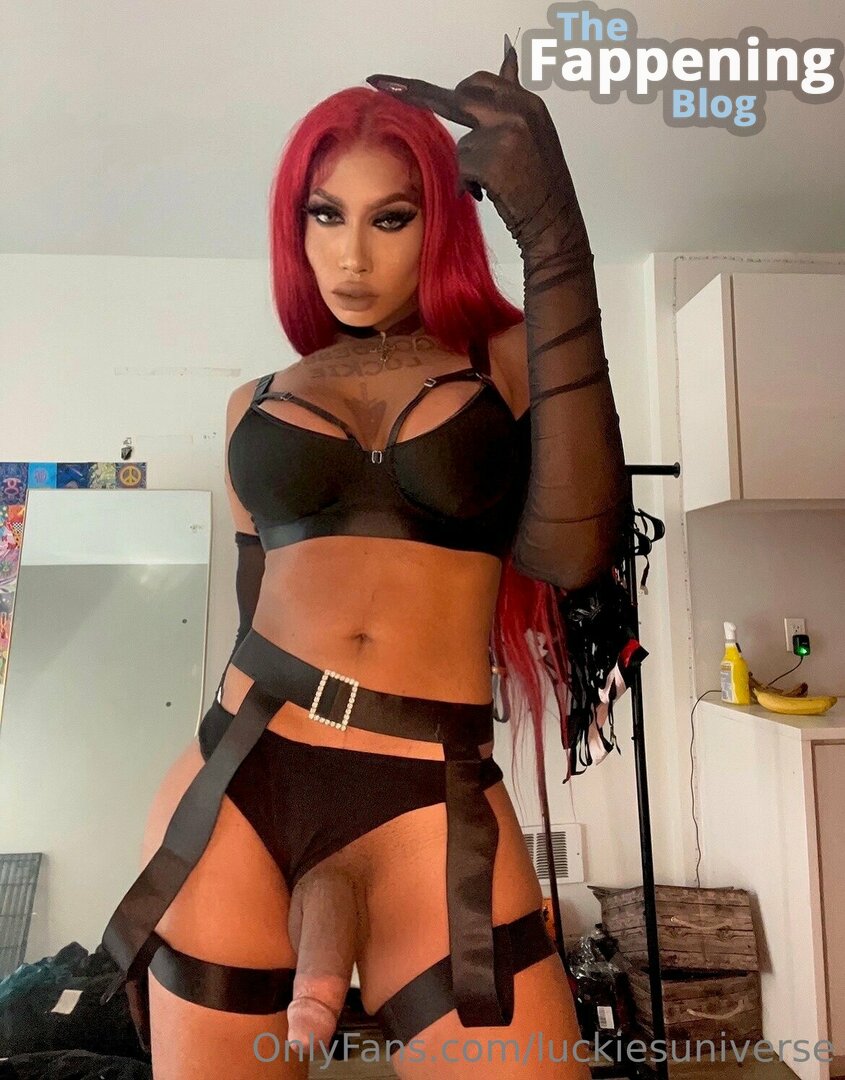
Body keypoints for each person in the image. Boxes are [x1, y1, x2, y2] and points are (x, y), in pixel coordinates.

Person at [98, 37, 631, 1078]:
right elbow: (256, 609)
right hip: (245, 773)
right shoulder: (252, 402)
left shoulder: (506, 361)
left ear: (439, 225)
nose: (350, 255)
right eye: (324, 215)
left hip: (431, 786)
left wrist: (553, 234)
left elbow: (571, 552)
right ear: (293, 227)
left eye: (389, 218)